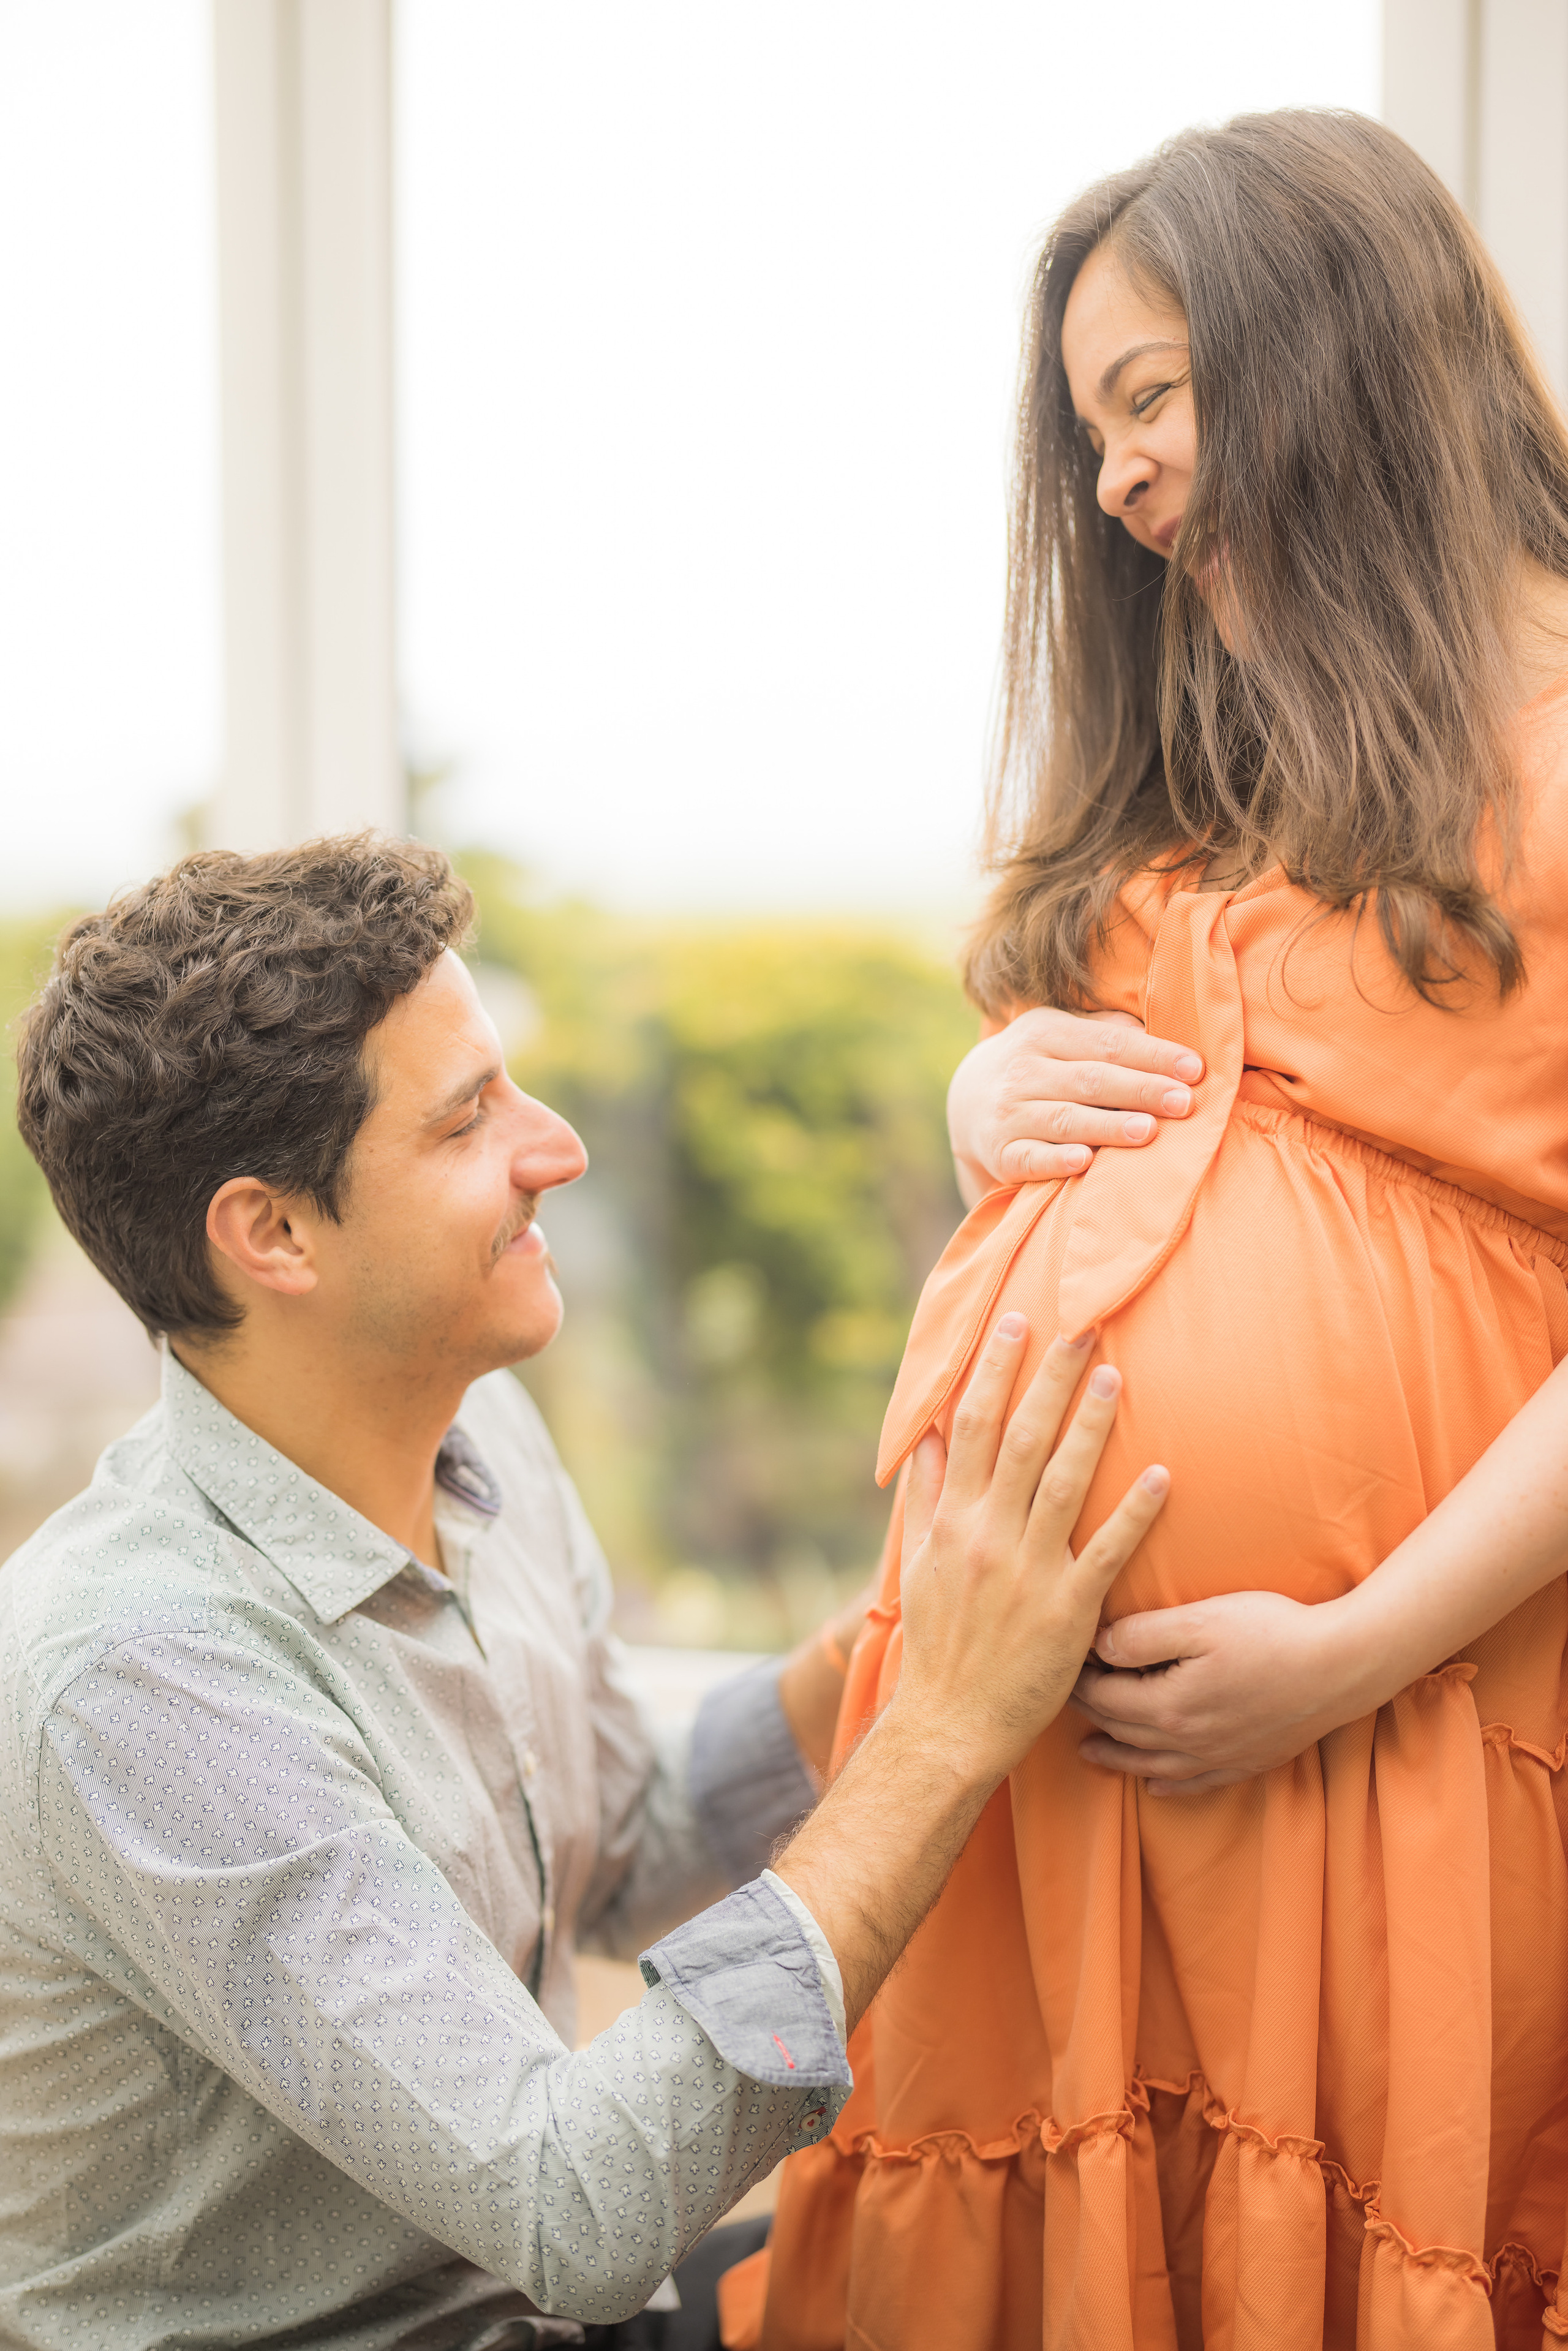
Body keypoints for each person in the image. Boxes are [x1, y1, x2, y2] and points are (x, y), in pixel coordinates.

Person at [753, 110, 1568, 2351]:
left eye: (1154, 397)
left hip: (1385, 1706)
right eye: (1089, 426)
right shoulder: (1225, 743)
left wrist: (1354, 1639)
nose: (1115, 481)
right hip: (1043, 1749)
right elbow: (1128, 1083)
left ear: (1341, 354)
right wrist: (976, 1096)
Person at [0, 837, 1170, 2351]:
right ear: (271, 1232)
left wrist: (898, 1625)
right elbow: (581, 2208)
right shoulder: (143, 1682)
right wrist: (939, 1728)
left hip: (520, 2306)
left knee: (986, 2262)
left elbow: (621, 1850)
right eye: (466, 1118)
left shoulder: (472, 1424)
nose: (555, 1146)